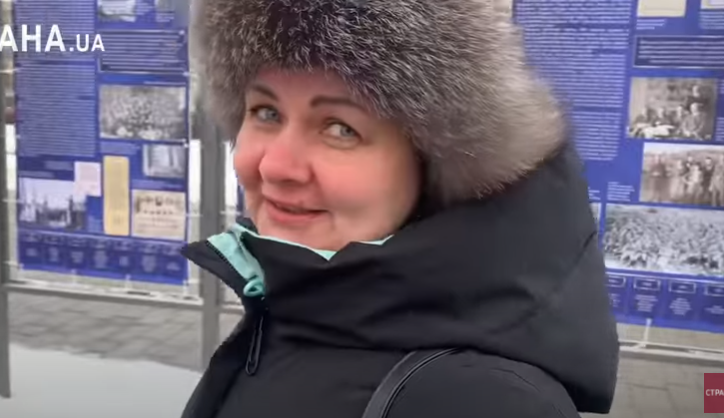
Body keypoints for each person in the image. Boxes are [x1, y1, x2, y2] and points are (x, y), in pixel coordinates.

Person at [181, 1, 620, 418]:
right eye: (266, 112)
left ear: (431, 161)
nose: (275, 166)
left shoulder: (481, 399)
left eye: (340, 128)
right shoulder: (294, 302)